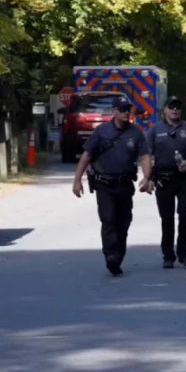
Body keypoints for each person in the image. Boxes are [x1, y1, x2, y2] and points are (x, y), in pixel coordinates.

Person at [72, 96, 152, 277]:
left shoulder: (136, 133)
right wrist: (77, 181)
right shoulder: (102, 132)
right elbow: (86, 156)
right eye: (123, 109)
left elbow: (145, 156)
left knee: (123, 222)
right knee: (108, 219)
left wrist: (147, 178)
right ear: (114, 112)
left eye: (128, 110)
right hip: (104, 184)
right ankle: (110, 255)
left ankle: (118, 256)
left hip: (125, 184)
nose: (126, 113)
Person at [146, 96, 186, 269]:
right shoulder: (155, 131)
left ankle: (184, 254)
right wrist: (148, 179)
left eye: (177, 107)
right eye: (171, 107)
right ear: (165, 110)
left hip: (185, 179)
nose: (175, 110)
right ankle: (168, 255)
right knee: (167, 219)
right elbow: (147, 157)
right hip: (164, 180)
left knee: (185, 216)